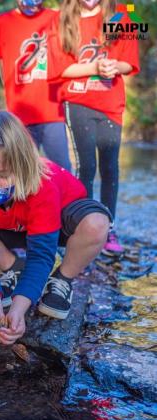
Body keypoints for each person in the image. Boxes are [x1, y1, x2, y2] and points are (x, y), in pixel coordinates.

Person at [0, 110, 111, 345]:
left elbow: (42, 254)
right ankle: (13, 268)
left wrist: (18, 309)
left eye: (3, 175)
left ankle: (63, 278)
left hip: (58, 227)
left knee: (97, 223)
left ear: (22, 164)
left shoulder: (43, 187)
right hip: (12, 227)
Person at [48, 0, 140, 254]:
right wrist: (95, 67)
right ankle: (81, 225)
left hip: (111, 105)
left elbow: (129, 62)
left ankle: (108, 226)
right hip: (78, 102)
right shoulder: (64, 19)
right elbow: (60, 69)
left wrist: (114, 66)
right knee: (86, 167)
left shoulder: (118, 16)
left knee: (109, 167)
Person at [0, 0, 71, 170]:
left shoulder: (56, 18)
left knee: (64, 172)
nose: (33, 5)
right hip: (19, 117)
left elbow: (73, 58)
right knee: (23, 174)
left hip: (54, 113)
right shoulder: (3, 23)